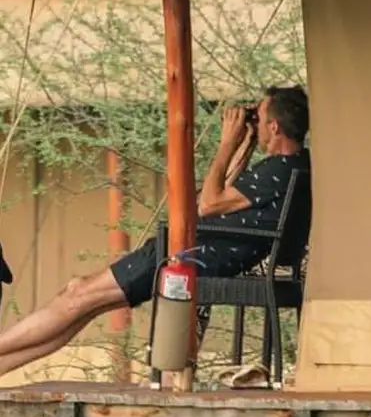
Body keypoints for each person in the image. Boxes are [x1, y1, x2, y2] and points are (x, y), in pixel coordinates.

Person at [0, 84, 311, 379]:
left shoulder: (277, 170)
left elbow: (207, 203)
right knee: (84, 307)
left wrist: (227, 143)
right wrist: (245, 144)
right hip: (205, 253)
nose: (253, 124)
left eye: (258, 118)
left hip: (188, 254)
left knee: (76, 293)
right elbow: (225, 189)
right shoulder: (294, 166)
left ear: (274, 127)